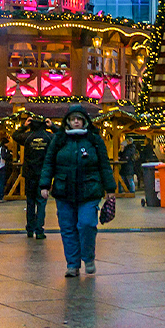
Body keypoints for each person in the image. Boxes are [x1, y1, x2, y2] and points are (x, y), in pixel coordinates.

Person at [39, 104, 117, 277]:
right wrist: (44, 185)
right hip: (63, 190)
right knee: (67, 228)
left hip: (89, 190)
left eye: (79, 119)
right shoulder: (59, 140)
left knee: (87, 224)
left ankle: (88, 257)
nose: (76, 121)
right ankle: (72, 265)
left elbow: (104, 165)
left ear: (84, 121)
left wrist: (110, 188)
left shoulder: (94, 140)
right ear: (67, 121)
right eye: (73, 118)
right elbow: (49, 163)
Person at [13, 116, 54, 238]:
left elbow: (15, 135)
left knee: (30, 202)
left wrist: (24, 126)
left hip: (29, 174)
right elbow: (61, 137)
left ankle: (30, 229)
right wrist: (52, 127)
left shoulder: (27, 137)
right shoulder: (49, 137)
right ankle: (39, 230)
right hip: (43, 175)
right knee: (41, 202)